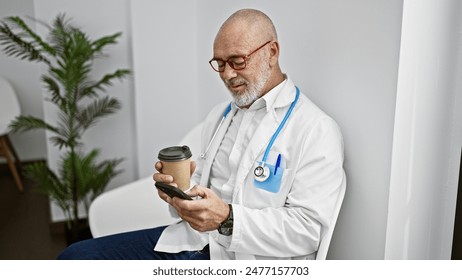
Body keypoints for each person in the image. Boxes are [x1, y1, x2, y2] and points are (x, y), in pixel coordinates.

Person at [58, 8, 346, 260]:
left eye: (237, 61)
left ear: (272, 52)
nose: (227, 74)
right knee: (74, 257)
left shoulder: (315, 130)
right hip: (194, 241)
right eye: (219, 64)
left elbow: (308, 231)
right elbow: (205, 191)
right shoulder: (221, 116)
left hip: (249, 260)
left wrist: (227, 218)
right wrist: (179, 192)